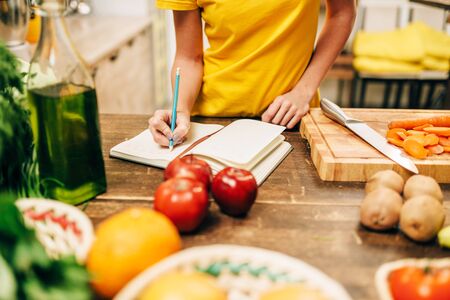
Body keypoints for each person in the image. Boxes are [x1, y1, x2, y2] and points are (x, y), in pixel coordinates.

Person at [149, 0, 356, 147]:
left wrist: (304, 90)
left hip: (292, 121)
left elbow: (342, 13)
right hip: (210, 124)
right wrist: (182, 110)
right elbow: (188, 57)